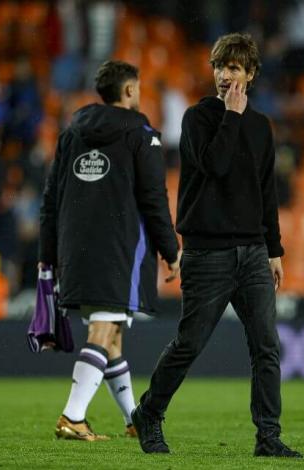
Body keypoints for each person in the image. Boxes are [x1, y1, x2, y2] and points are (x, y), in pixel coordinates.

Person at [132, 33, 302, 459]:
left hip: (251, 252)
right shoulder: (198, 119)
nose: (227, 76)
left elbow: (266, 193)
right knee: (190, 342)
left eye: (236, 68)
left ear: (251, 74)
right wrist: (231, 116)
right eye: (221, 68)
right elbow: (217, 166)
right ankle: (149, 413)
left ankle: (268, 436)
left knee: (266, 345)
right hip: (208, 252)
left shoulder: (262, 128)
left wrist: (274, 249)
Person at [38, 60, 179, 441]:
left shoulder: (71, 133)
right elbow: (153, 197)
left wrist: (47, 254)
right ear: (130, 91)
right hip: (119, 247)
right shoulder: (142, 133)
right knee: (104, 329)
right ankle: (73, 416)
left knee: (111, 334)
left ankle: (134, 419)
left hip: (75, 247)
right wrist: (170, 248)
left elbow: (51, 198)